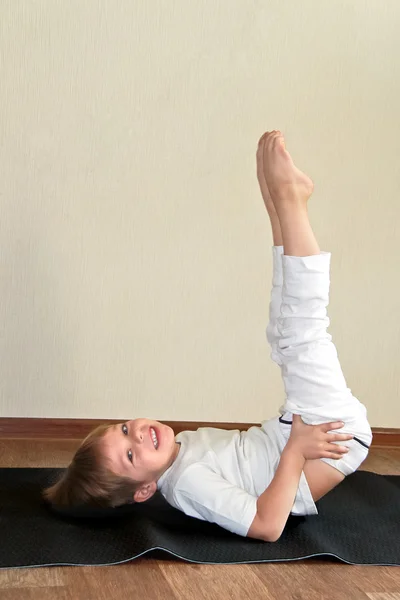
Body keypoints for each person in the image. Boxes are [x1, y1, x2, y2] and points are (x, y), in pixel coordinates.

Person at [44, 131, 372, 542]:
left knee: (283, 329)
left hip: (299, 430)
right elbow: (267, 526)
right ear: (145, 489)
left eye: (125, 429)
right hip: (328, 437)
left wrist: (292, 440)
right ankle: (289, 200)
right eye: (131, 455)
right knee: (301, 332)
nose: (138, 436)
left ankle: (279, 210)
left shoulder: (179, 451)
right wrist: (296, 449)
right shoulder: (186, 485)